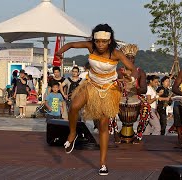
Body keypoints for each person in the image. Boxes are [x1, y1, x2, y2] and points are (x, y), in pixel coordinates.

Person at [55, 23, 138, 176]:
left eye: (103, 42)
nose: (100, 45)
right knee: (74, 106)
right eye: (98, 41)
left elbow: (132, 69)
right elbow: (72, 44)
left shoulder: (116, 53)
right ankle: (72, 133)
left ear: (109, 40)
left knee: (103, 125)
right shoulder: (91, 47)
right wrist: (60, 51)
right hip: (91, 84)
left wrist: (128, 77)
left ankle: (103, 163)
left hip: (108, 89)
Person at [110, 44, 147, 143]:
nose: (130, 60)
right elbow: (110, 86)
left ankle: (139, 134)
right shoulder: (118, 72)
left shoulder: (140, 72)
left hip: (135, 97)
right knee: (108, 106)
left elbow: (144, 89)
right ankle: (115, 133)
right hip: (119, 97)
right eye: (127, 58)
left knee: (146, 107)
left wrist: (134, 88)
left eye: (132, 58)